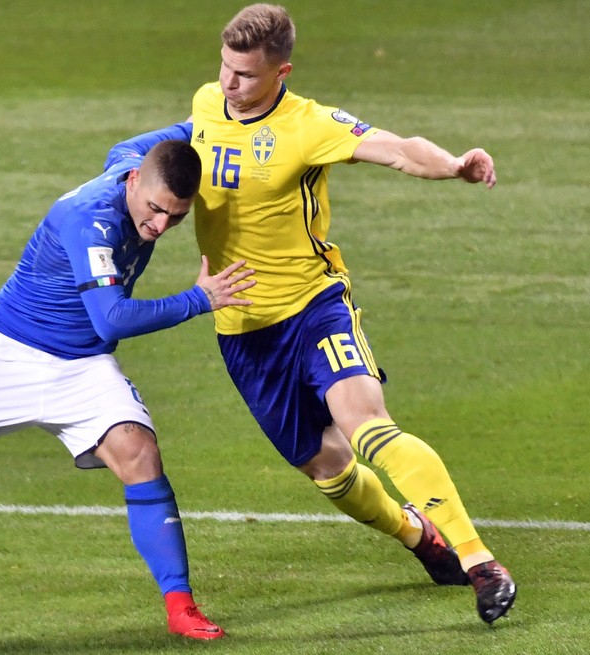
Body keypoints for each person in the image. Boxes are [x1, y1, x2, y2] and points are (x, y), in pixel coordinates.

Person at [0, 126, 257, 640]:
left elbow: (193, 122)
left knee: (140, 454)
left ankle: (180, 605)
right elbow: (111, 318)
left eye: (176, 216)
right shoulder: (90, 220)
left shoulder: (133, 159)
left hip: (82, 365)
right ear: (134, 181)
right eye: (155, 209)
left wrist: (230, 111)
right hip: (7, 352)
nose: (160, 224)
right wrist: (199, 300)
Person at [186, 3, 514, 625]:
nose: (231, 84)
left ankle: (480, 562)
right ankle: (420, 538)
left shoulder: (308, 125)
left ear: (281, 71)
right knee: (327, 467)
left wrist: (451, 166)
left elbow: (394, 148)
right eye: (226, 69)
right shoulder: (207, 100)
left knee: (367, 427)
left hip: (314, 307)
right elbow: (183, 150)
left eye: (247, 75)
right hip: (242, 329)